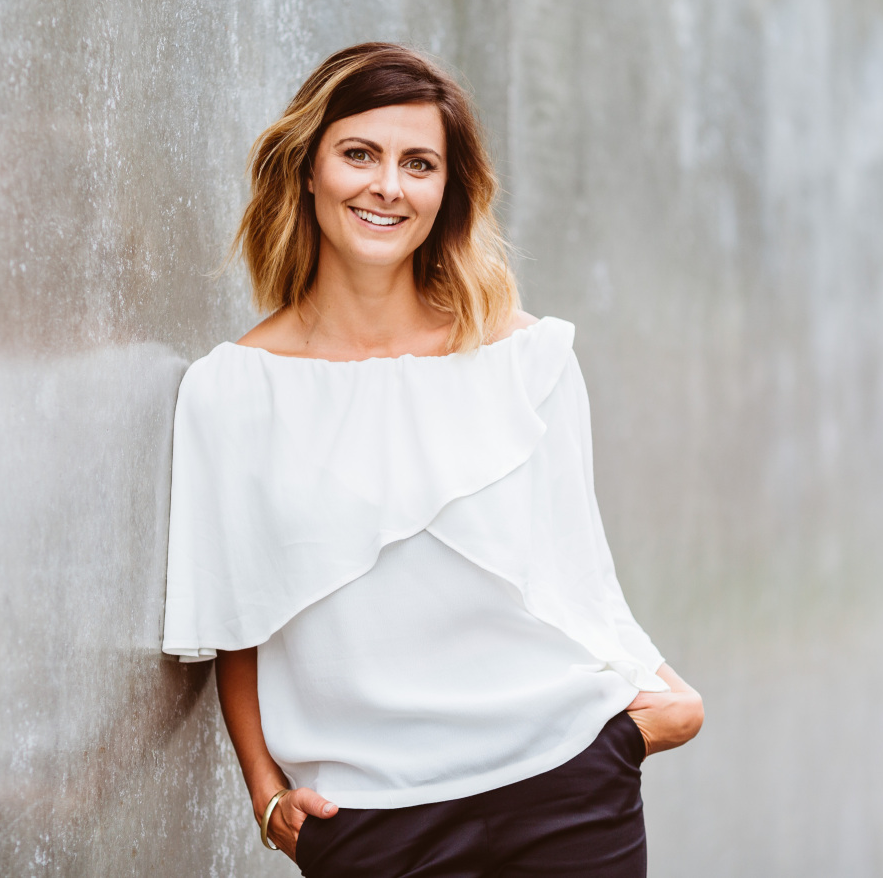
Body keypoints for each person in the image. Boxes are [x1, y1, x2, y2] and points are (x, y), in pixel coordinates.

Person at [162, 43, 703, 877]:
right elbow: (238, 615)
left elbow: (578, 576)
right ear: (307, 170)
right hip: (376, 822)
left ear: (448, 191)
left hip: (565, 786)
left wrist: (660, 707)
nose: (388, 186)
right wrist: (265, 794)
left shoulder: (526, 363)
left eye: (418, 163)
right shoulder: (233, 391)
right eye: (359, 154)